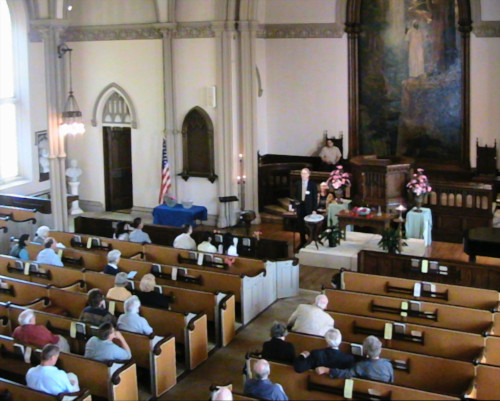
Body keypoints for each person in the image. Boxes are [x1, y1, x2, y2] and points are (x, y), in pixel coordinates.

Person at [316, 336, 394, 383]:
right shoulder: (388, 365)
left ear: (365, 351)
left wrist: (327, 370)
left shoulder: (361, 366)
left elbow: (345, 374)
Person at [292, 168, 318, 249]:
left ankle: (310, 240)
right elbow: (294, 195)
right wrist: (296, 203)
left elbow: (314, 198)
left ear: (308, 174)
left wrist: (314, 209)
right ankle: (302, 241)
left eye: (304, 173)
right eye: (301, 173)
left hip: (309, 208)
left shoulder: (312, 185)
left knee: (309, 225)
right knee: (301, 225)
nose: (302, 175)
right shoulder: (298, 184)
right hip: (300, 207)